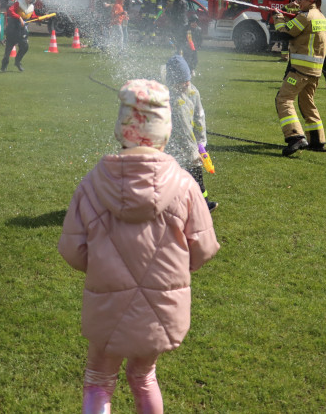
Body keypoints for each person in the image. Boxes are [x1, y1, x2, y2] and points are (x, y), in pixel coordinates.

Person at [58, 79, 219, 414]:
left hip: (106, 305)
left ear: (123, 127)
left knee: (98, 380)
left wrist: (102, 266)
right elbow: (203, 247)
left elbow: (73, 250)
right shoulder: (186, 185)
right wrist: (177, 267)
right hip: (160, 308)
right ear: (165, 131)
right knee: (144, 377)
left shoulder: (92, 183)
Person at [273, 0, 326, 155]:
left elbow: (284, 33)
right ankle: (317, 141)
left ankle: (295, 137)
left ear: (311, 0)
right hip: (315, 71)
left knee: (283, 99)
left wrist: (278, 16)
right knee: (307, 102)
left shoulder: (305, 17)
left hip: (300, 70)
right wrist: (288, 11)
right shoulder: (320, 16)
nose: (297, 2)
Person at [166, 54, 217, 211]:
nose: (187, 83)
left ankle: (202, 202)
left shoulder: (192, 91)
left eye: (188, 79)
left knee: (196, 172)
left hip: (191, 143)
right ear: (174, 81)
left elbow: (199, 117)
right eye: (183, 80)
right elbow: (181, 130)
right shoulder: (170, 98)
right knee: (177, 175)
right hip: (174, 145)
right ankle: (177, 205)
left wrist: (201, 143)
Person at [1, 0, 38, 72]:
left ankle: (17, 62)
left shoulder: (31, 7)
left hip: (23, 31)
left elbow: (33, 16)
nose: (29, 0)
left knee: (25, 46)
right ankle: (4, 64)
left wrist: (40, 18)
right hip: (13, 29)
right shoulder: (18, 3)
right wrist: (19, 17)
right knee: (8, 49)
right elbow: (10, 11)